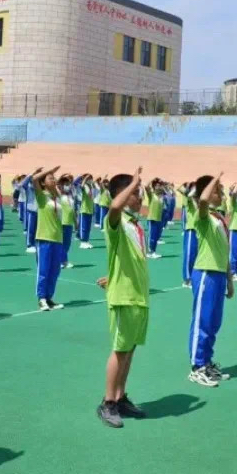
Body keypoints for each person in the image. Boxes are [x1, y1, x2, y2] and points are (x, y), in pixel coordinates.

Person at [95, 167, 150, 428]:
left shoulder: (135, 225)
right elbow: (113, 208)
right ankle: (107, 403)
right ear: (122, 194)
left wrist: (112, 274)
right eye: (136, 193)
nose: (140, 198)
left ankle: (120, 397)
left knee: (129, 350)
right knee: (119, 350)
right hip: (123, 298)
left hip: (138, 296)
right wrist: (134, 182)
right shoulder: (116, 221)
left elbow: (124, 257)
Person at [187, 172, 234, 387]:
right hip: (205, 272)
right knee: (202, 320)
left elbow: (225, 250)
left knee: (214, 321)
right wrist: (213, 180)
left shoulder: (220, 218)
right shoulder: (202, 215)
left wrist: (229, 279)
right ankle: (197, 367)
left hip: (218, 274)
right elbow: (203, 199)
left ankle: (206, 362)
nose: (222, 193)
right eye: (218, 190)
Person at [32, 165, 65, 311]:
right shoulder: (42, 196)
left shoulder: (55, 197)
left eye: (54, 178)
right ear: (44, 183)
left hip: (57, 238)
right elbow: (34, 179)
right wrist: (49, 171)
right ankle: (41, 298)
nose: (54, 180)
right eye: (51, 179)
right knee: (44, 269)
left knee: (54, 270)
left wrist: (54, 181)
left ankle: (49, 297)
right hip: (44, 237)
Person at [58, 174, 76, 270]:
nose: (67, 186)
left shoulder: (70, 197)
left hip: (69, 223)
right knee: (63, 243)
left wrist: (76, 222)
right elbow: (58, 184)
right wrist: (62, 179)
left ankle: (62, 260)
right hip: (62, 222)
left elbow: (72, 210)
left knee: (67, 243)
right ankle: (63, 261)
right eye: (65, 184)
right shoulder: (59, 196)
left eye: (68, 184)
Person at [143, 180, 164, 259]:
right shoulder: (151, 195)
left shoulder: (161, 197)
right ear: (154, 187)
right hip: (152, 218)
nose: (159, 187)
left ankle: (153, 251)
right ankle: (149, 252)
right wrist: (152, 180)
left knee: (156, 237)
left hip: (159, 219)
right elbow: (146, 187)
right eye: (157, 185)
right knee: (152, 236)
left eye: (160, 186)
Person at [19, 172, 38, 253]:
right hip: (31, 210)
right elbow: (23, 184)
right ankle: (29, 245)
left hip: (39, 211)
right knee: (31, 229)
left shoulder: (39, 188)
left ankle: (35, 244)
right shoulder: (29, 187)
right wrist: (31, 174)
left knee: (37, 229)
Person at [76, 174, 96, 249]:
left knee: (88, 227)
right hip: (84, 209)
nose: (90, 180)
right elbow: (81, 186)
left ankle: (86, 241)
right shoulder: (84, 186)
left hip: (90, 210)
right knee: (83, 227)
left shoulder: (91, 187)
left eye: (91, 178)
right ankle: (82, 242)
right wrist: (85, 179)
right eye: (88, 179)